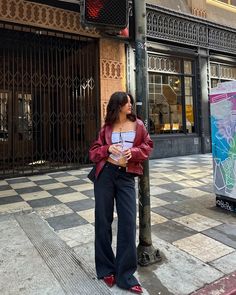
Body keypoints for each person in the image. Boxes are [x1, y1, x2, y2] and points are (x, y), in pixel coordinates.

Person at [89, 91, 153, 294]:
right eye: (127, 103)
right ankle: (106, 268)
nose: (130, 105)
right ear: (118, 106)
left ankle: (125, 274)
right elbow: (93, 152)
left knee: (127, 221)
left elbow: (147, 146)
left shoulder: (139, 125)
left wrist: (132, 152)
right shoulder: (106, 128)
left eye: (131, 102)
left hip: (126, 177)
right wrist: (107, 149)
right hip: (105, 176)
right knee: (103, 220)